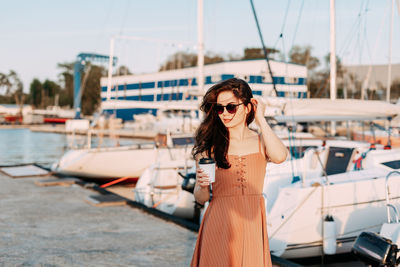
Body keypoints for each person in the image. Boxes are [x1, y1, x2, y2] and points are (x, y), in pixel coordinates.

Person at [190, 78, 288, 267]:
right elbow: (201, 198)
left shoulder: (261, 141)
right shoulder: (209, 148)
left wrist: (261, 120)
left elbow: (280, 156)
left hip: (252, 225)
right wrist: (201, 184)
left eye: (231, 107)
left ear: (248, 107)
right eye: (220, 108)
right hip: (218, 224)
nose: (224, 113)